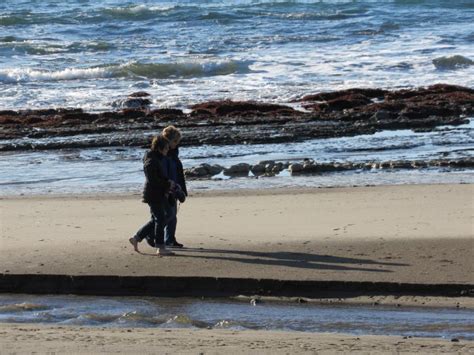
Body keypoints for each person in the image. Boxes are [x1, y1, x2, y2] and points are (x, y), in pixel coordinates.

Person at [129, 135, 175, 256]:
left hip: (159, 193)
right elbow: (152, 180)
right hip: (153, 195)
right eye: (166, 148)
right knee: (160, 219)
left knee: (168, 214)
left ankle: (137, 237)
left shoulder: (157, 158)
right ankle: (160, 247)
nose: (167, 150)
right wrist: (167, 183)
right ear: (159, 148)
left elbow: (159, 176)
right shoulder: (151, 160)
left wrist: (168, 182)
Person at [162, 125, 188, 248]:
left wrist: (181, 189)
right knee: (168, 216)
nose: (177, 144)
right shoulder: (165, 155)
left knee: (172, 216)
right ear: (169, 141)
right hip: (168, 188)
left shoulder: (173, 154)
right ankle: (151, 235)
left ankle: (170, 239)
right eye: (175, 142)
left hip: (175, 187)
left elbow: (178, 173)